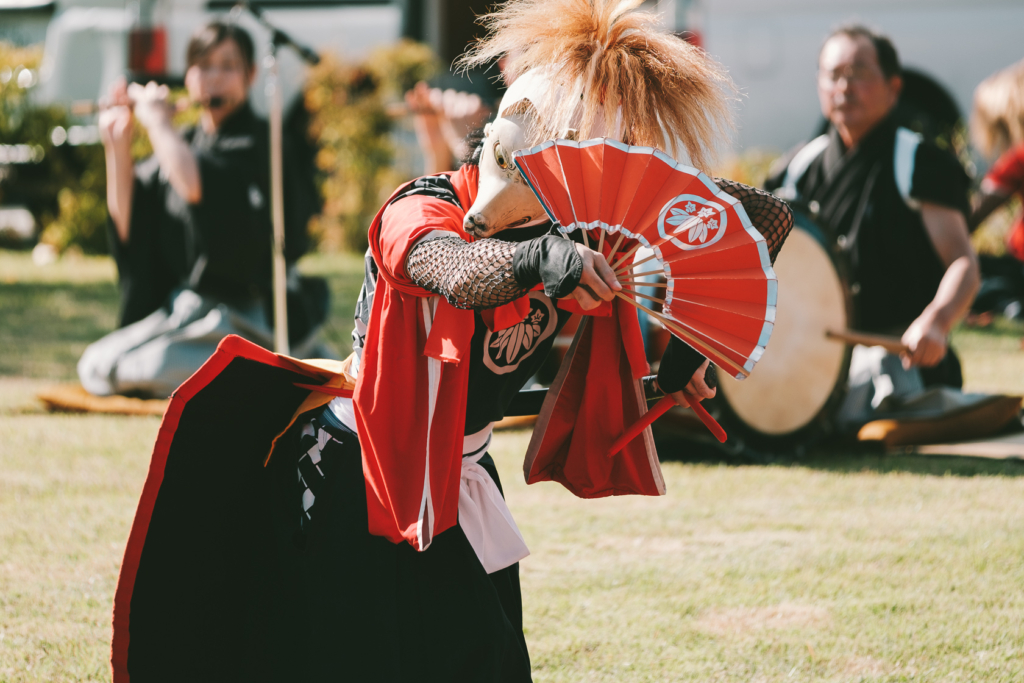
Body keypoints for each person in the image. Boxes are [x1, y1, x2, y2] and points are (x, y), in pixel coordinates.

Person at [109, 1, 794, 679]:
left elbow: (760, 220)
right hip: (367, 469)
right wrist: (544, 263)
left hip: (461, 470)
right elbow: (460, 272)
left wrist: (686, 349)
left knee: (489, 658)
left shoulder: (588, 223)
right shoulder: (423, 207)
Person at [78, 20, 324, 399]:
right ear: (188, 76)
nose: (215, 78)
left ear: (250, 75)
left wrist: (159, 123)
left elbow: (194, 185)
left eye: (228, 66)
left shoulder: (261, 142)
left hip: (251, 313)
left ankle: (257, 369)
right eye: (204, 66)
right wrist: (117, 145)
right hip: (193, 312)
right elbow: (130, 224)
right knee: (96, 365)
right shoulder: (187, 143)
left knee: (138, 369)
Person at [765, 25, 980, 428]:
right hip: (813, 351)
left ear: (893, 87)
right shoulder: (798, 168)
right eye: (834, 75)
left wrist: (936, 321)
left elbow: (963, 263)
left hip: (900, 357)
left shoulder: (918, 163)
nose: (844, 87)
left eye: (859, 73)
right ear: (819, 85)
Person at [967, 59, 1024, 325]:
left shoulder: (1018, 159)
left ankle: (1006, 301)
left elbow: (974, 216)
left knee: (976, 271)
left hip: (1019, 265)